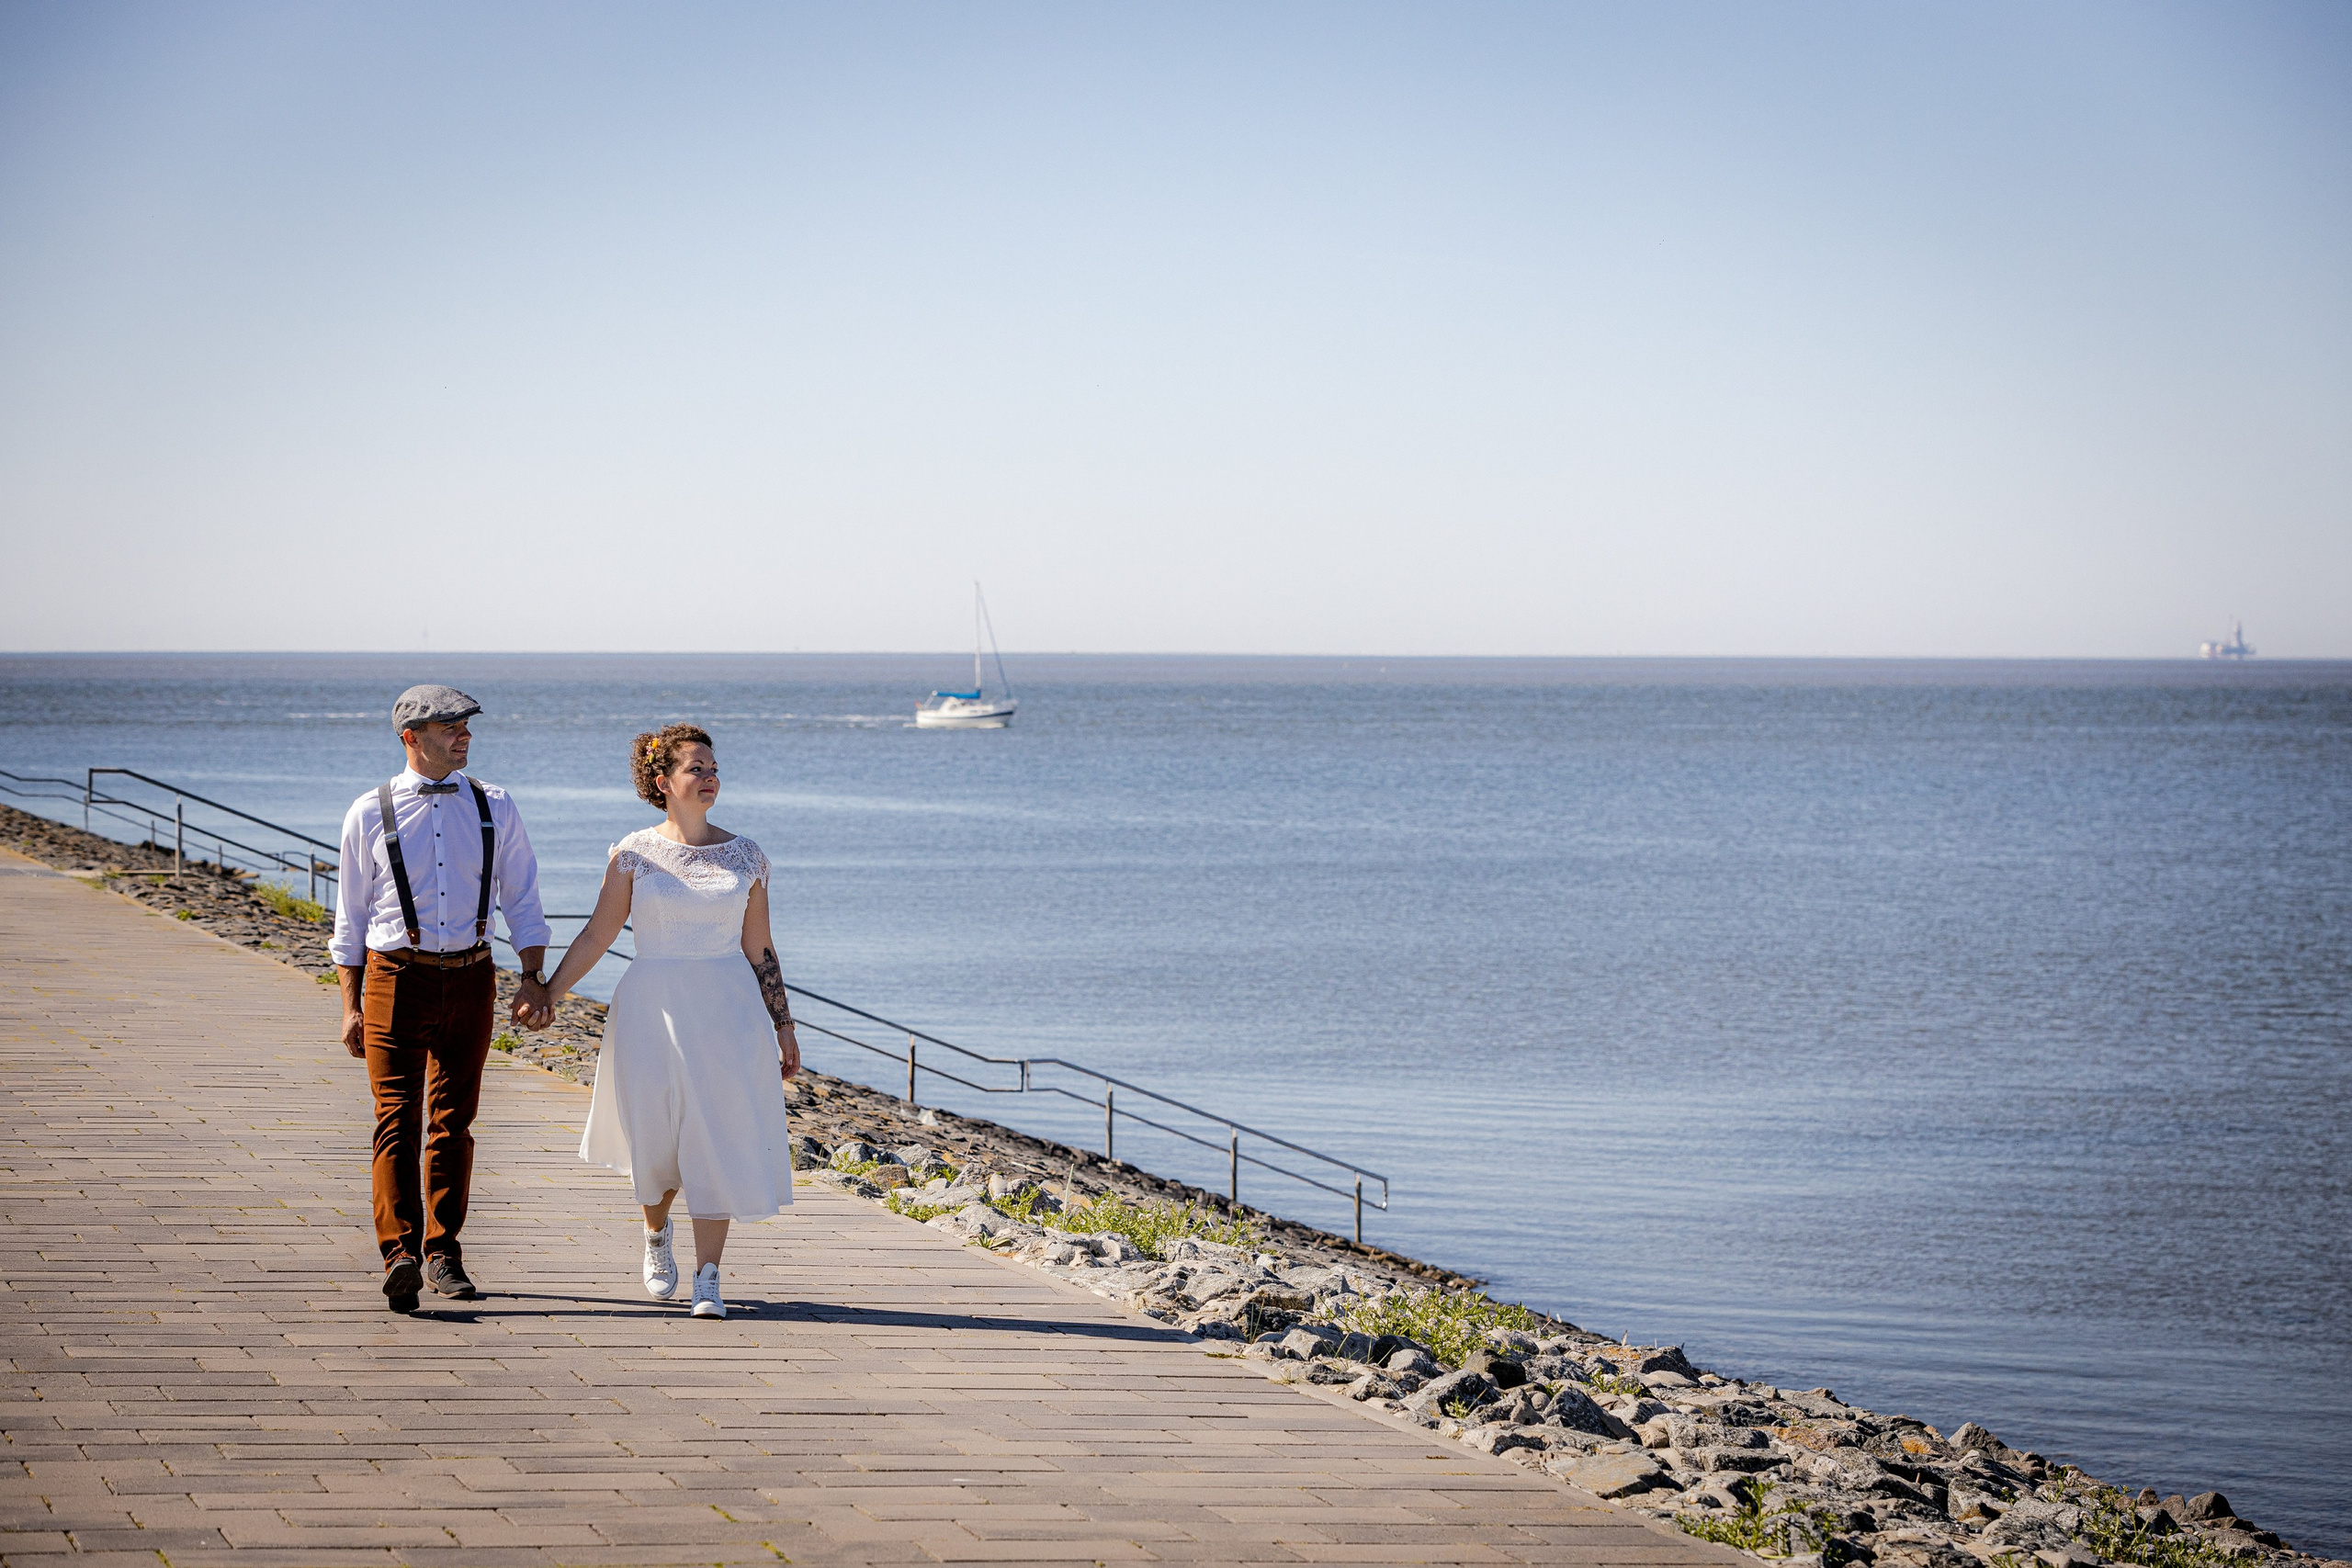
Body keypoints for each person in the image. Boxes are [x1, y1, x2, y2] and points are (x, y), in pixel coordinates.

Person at [543, 723, 801, 1320]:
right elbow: (596, 934)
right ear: (663, 782)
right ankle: (656, 1236)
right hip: (650, 1011)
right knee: (655, 1145)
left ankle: (709, 1278)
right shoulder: (633, 854)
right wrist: (551, 991)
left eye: (714, 767)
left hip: (728, 1013)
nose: (710, 777)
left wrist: (784, 1026)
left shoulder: (747, 856)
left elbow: (760, 949)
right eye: (696, 768)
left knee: (718, 1136)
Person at [330, 684, 552, 1314]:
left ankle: (442, 1250)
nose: (465, 735)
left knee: (455, 1119)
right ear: (411, 737)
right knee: (395, 1115)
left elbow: (523, 898)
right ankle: (398, 1252)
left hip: (473, 976)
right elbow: (348, 920)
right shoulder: (368, 812)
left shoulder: (495, 806)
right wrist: (349, 1005)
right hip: (393, 977)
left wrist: (533, 977)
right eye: (449, 725)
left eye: (466, 725)